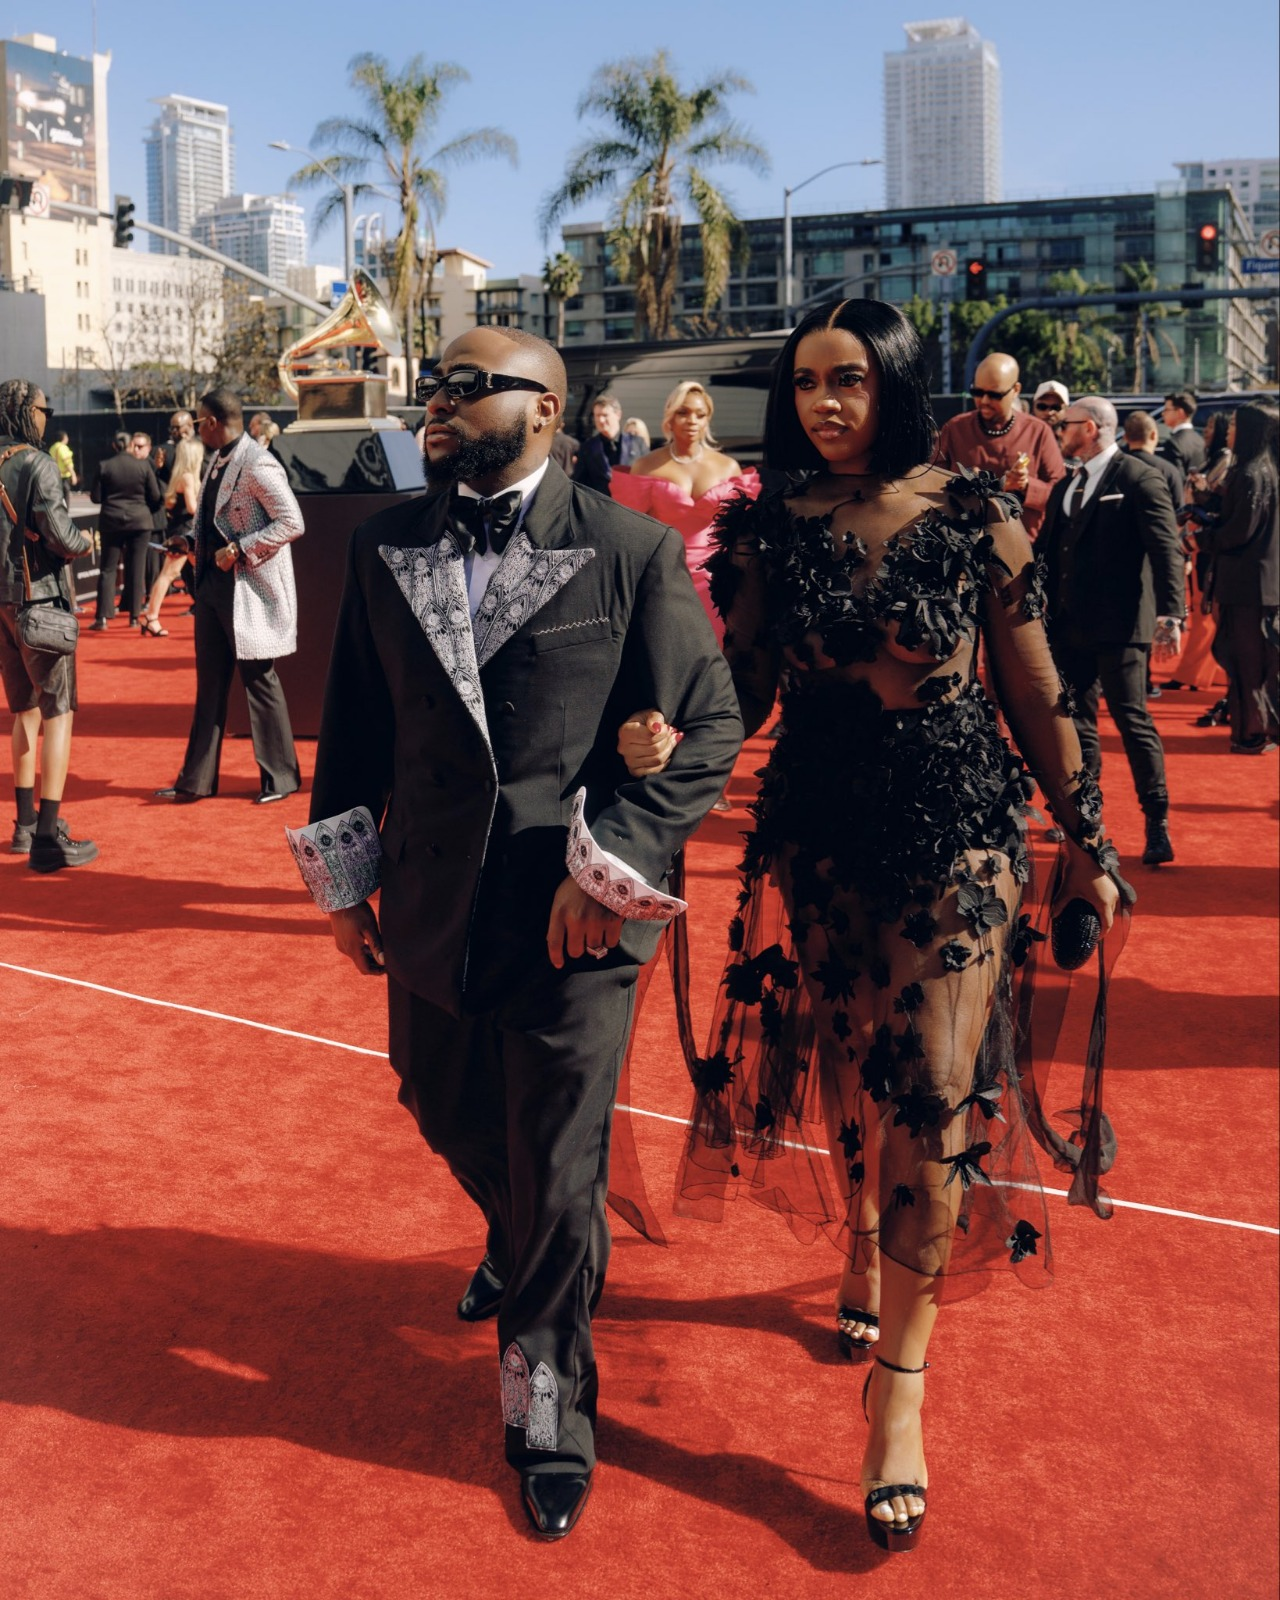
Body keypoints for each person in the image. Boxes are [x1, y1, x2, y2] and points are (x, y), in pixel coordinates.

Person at [658, 299, 1125, 1555]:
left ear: (896, 386)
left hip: (958, 833)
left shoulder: (975, 514)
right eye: (806, 381)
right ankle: (860, 1239)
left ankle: (900, 1393)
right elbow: (740, 690)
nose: (824, 402)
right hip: (817, 831)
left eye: (850, 380)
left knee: (933, 1091)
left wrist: (1085, 839)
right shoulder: (766, 526)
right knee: (848, 1061)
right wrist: (663, 734)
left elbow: (1035, 688)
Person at [292, 325, 742, 1541]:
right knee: (436, 1100)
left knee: (553, 1164)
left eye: (465, 385)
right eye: (432, 385)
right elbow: (353, 726)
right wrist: (344, 887)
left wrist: (613, 865)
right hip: (433, 902)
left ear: (544, 407)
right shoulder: (386, 542)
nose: (436, 402)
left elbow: (706, 725)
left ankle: (546, 1411)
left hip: (570, 921)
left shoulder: (629, 549)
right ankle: (536, 1234)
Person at [1040, 396, 1185, 865]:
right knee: (1076, 723)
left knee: (1131, 720)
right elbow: (1046, 553)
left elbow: (1166, 549)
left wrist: (1171, 614)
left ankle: (1156, 821)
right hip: (1069, 626)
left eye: (1067, 423)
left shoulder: (1138, 477)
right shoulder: (1068, 483)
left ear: (1092, 428)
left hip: (1122, 626)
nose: (1059, 429)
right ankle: (1086, 817)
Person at [155, 388, 304, 805]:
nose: (194, 429)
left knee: (259, 680)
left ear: (212, 422)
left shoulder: (257, 462)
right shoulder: (218, 460)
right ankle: (195, 781)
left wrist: (240, 548)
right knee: (210, 685)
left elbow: (292, 521)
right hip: (211, 588)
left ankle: (281, 778)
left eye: (197, 421)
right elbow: (211, 522)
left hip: (246, 590)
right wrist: (188, 542)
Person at [0, 378, 97, 871]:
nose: (46, 418)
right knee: (58, 711)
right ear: (26, 412)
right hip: (39, 602)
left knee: (24, 711)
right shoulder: (38, 463)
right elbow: (60, 535)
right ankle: (47, 839)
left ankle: (24, 824)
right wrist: (85, 543)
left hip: (2, 603)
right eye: (44, 410)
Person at [609, 380, 758, 642]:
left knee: (717, 648)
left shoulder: (728, 467)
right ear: (669, 415)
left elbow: (741, 533)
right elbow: (630, 533)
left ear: (708, 419)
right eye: (683, 412)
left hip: (717, 579)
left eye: (700, 414)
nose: (692, 421)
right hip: (664, 578)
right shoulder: (646, 466)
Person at [1201, 402, 1279, 753]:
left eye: (1233, 425)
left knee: (1247, 663)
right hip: (1258, 584)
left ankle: (1252, 732)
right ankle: (1257, 729)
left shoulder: (1250, 473)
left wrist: (1202, 537)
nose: (1227, 431)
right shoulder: (1264, 471)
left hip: (1247, 586)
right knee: (1256, 663)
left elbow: (1238, 532)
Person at [934, 352, 1065, 538]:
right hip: (964, 544)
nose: (984, 401)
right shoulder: (955, 429)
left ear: (1016, 390)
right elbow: (930, 483)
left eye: (995, 395)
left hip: (1023, 546)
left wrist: (1026, 486)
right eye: (978, 392)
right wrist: (963, 484)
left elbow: (1061, 495)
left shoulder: (1038, 432)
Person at [90, 431, 162, 629]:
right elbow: (155, 496)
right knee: (137, 567)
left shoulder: (104, 466)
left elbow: (96, 497)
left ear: (114, 446)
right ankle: (134, 616)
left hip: (111, 521)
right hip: (140, 521)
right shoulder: (143, 466)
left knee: (108, 569)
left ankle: (102, 618)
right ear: (131, 445)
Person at [139, 437, 204, 637]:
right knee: (168, 574)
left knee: (203, 573)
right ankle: (151, 617)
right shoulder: (188, 477)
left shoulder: (179, 476)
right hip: (185, 532)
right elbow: (192, 508)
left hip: (181, 529)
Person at [570, 391, 645, 493]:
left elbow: (648, 477)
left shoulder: (637, 443)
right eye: (597, 415)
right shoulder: (587, 448)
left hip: (631, 501)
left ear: (618, 415)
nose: (601, 420)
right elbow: (580, 484)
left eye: (605, 415)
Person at [1159, 390, 1206, 475]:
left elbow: (1174, 478)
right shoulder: (1200, 441)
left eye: (1166, 410)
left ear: (1180, 412)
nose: (1163, 414)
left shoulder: (1173, 444)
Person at [49, 430, 77, 507]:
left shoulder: (52, 448)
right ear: (64, 438)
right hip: (64, 476)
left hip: (54, 475)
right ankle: (65, 510)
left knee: (56, 495)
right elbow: (67, 462)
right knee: (66, 494)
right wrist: (73, 474)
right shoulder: (63, 448)